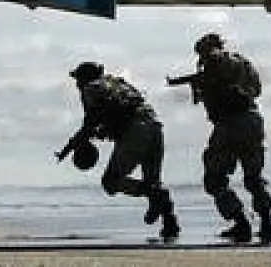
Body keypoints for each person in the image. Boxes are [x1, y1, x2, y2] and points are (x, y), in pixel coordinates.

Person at [167, 32, 271, 244]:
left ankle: (241, 223)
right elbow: (257, 90)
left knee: (214, 179)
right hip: (252, 120)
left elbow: (218, 64)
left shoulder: (218, 60)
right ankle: (267, 222)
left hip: (230, 124)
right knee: (253, 177)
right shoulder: (244, 64)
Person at [56, 61, 180, 240]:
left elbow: (91, 120)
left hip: (135, 132)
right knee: (152, 180)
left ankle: (157, 197)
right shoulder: (118, 83)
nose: (77, 85)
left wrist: (78, 142)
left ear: (85, 78)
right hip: (155, 126)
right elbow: (115, 112)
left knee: (111, 181)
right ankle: (170, 223)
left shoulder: (91, 88)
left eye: (78, 79)